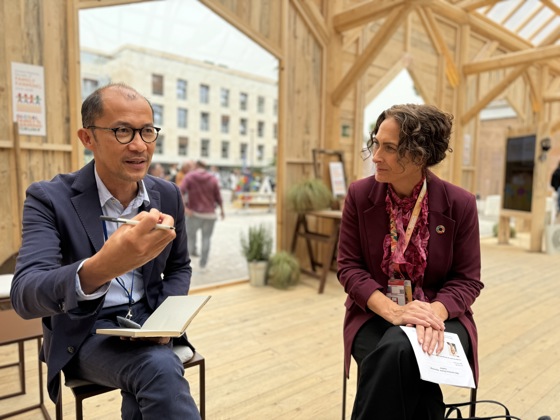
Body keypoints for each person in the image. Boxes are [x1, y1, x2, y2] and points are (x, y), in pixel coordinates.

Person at [10, 83, 200, 419]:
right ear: (88, 139)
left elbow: (180, 266)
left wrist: (163, 322)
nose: (140, 145)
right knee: (158, 369)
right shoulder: (48, 199)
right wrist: (102, 267)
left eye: (146, 131)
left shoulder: (167, 195)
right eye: (123, 131)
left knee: (155, 369)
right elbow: (25, 294)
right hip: (85, 331)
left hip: (148, 319)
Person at [338, 104, 484, 419]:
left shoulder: (460, 204)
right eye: (376, 143)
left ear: (420, 155)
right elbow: (348, 268)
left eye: (389, 148)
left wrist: (431, 313)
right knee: (399, 353)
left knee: (396, 353)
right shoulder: (359, 196)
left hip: (442, 315)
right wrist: (396, 312)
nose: (376, 155)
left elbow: (468, 279)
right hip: (375, 312)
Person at [180, 160, 225, 269]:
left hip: (194, 214)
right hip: (210, 215)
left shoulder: (190, 176)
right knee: (206, 239)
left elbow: (180, 191)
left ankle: (187, 264)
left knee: (190, 238)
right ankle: (203, 263)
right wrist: (222, 210)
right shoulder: (213, 178)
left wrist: (184, 208)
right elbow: (218, 197)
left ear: (196, 166)